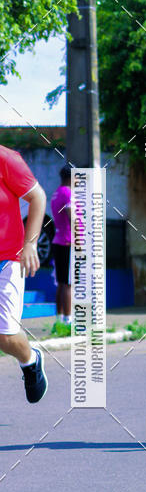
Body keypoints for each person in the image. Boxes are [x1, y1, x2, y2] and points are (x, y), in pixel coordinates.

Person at [0, 144, 48, 402]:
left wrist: (30, 244)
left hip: (6, 261)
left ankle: (30, 360)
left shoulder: (6, 159)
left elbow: (38, 197)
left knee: (5, 336)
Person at [50, 164, 72, 324]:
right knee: (68, 282)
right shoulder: (68, 193)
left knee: (61, 282)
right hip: (67, 241)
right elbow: (72, 218)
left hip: (57, 240)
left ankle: (59, 318)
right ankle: (68, 319)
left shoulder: (56, 193)